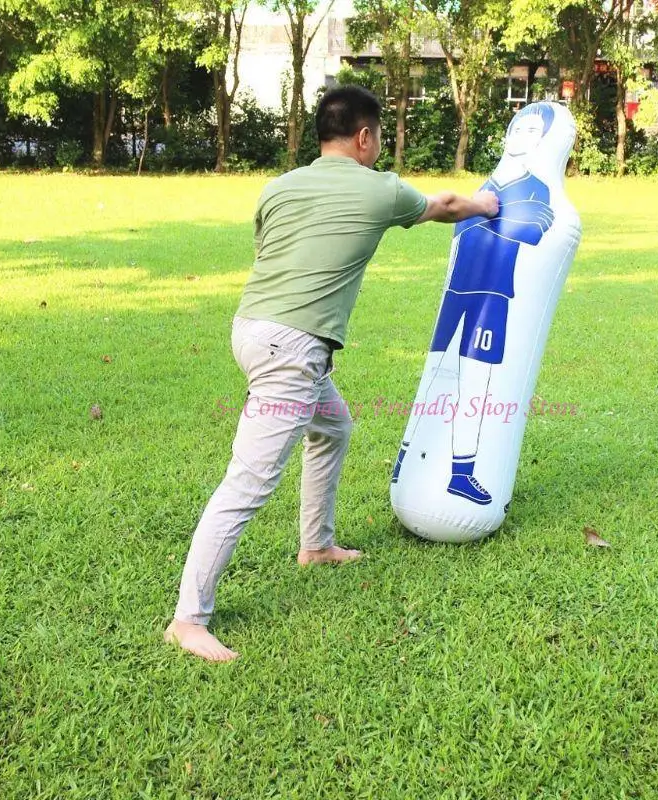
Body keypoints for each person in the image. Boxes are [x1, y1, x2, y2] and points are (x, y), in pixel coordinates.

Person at [164, 84, 500, 662]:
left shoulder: (278, 188)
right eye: (379, 139)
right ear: (365, 137)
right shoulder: (379, 189)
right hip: (292, 352)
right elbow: (445, 206)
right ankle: (188, 620)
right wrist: (488, 206)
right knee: (248, 482)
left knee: (334, 428)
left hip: (252, 332)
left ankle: (316, 546)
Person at [392, 104, 556, 506]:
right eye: (518, 128)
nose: (522, 137)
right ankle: (405, 458)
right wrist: (484, 210)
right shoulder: (484, 187)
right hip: (455, 293)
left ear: (543, 140)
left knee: (476, 383)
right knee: (435, 374)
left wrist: (489, 215)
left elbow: (536, 229)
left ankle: (461, 473)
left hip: (493, 296)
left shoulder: (538, 189)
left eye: (532, 130)